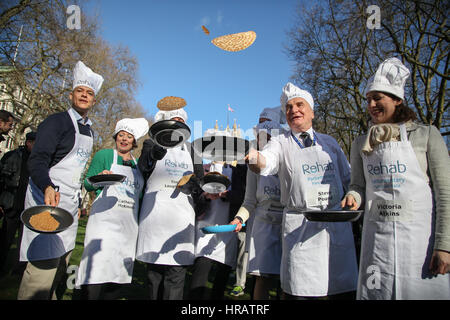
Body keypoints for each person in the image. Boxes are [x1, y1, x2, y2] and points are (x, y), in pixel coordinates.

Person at [341, 57, 450, 300]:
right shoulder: (361, 142)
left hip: (420, 245)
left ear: (397, 99)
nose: (371, 104)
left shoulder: (426, 135)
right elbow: (358, 185)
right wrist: (353, 196)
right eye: (368, 99)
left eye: (378, 98)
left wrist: (444, 245)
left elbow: (445, 193)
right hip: (377, 243)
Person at [244, 82, 359, 299]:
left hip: (334, 229)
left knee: (336, 291)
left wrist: (353, 195)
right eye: (289, 107)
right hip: (300, 229)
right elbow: (267, 161)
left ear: (312, 112)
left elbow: (349, 179)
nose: (294, 110)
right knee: (300, 292)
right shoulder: (280, 142)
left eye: (299, 105)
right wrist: (256, 160)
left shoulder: (330, 143)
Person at [17, 61, 103, 300]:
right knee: (40, 272)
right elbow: (37, 160)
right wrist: (46, 186)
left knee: (58, 268)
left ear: (93, 100)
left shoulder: (88, 130)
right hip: (46, 202)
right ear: (71, 95)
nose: (84, 96)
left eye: (89, 93)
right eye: (80, 91)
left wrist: (76, 203)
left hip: (68, 207)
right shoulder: (57, 122)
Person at [136, 107, 205, 300]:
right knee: (154, 277)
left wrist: (196, 188)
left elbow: (200, 182)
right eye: (173, 122)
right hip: (155, 218)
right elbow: (143, 169)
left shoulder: (193, 150)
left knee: (176, 277)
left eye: (180, 123)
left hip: (181, 220)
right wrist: (154, 154)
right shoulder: (151, 143)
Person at [75, 118, 148, 300]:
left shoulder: (138, 165)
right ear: (116, 138)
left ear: (133, 142)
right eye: (121, 135)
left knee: (118, 272)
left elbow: (140, 196)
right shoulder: (104, 156)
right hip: (103, 223)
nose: (124, 139)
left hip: (128, 228)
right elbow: (87, 183)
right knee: (96, 267)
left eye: (128, 137)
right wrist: (98, 177)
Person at [230, 107, 285, 300]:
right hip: (262, 227)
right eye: (260, 135)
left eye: (268, 135)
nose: (264, 139)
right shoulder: (252, 164)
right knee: (262, 278)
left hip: (287, 226)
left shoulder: (288, 159)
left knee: (286, 283)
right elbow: (249, 201)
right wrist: (239, 218)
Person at [188, 161, 238, 300]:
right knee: (200, 274)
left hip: (228, 230)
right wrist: (205, 196)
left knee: (220, 281)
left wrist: (226, 195)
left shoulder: (240, 171)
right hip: (206, 230)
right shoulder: (205, 168)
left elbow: (244, 196)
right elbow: (195, 195)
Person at [0, 131, 36, 276]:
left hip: (28, 207)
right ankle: (1, 266)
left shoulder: (38, 160)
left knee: (24, 240)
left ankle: (18, 270)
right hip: (12, 204)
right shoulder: (13, 156)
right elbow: (2, 179)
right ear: (29, 142)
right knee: (5, 238)